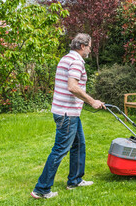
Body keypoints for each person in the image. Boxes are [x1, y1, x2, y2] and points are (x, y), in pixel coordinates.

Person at [31, 33, 105, 199]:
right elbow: (72, 87)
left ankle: (75, 180)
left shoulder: (66, 58)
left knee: (79, 145)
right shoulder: (76, 61)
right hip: (67, 114)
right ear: (82, 46)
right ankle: (41, 189)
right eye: (90, 46)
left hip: (67, 112)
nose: (90, 50)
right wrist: (92, 101)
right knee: (60, 150)